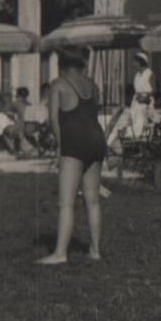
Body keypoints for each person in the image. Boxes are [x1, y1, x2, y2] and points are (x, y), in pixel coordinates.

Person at [38, 46, 107, 264]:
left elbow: (54, 121)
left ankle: (60, 253)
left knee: (66, 203)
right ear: (82, 63)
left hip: (74, 142)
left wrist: (61, 146)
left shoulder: (58, 85)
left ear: (61, 64)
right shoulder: (92, 85)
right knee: (93, 201)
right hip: (97, 140)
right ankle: (95, 250)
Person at [129, 52, 155, 139]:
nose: (133, 64)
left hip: (146, 102)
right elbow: (136, 90)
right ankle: (134, 138)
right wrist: (138, 97)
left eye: (135, 62)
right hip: (137, 101)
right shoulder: (137, 75)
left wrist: (144, 96)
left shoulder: (149, 73)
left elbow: (154, 91)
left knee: (141, 121)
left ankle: (140, 139)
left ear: (140, 62)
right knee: (133, 120)